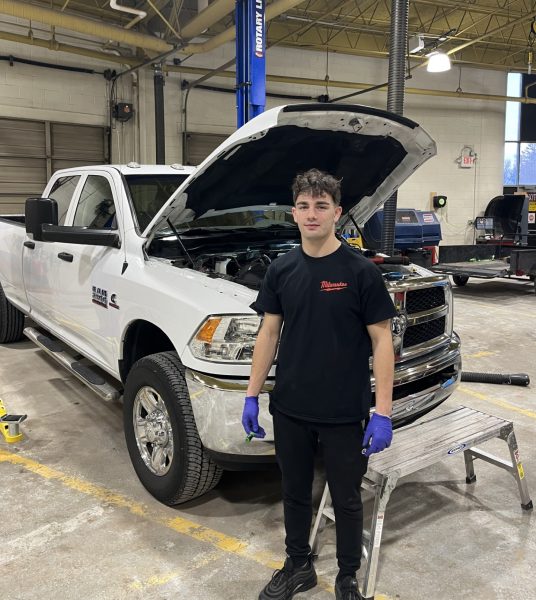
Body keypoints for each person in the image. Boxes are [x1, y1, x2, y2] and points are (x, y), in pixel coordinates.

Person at [242, 169, 396, 600]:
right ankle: (297, 566)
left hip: (343, 411)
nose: (312, 214)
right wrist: (252, 395)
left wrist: (382, 412)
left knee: (346, 499)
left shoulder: (360, 271)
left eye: (321, 206)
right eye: (305, 207)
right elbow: (268, 334)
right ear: (294, 213)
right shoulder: (282, 269)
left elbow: (382, 341)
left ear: (337, 213)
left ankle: (347, 575)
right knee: (294, 493)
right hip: (290, 406)